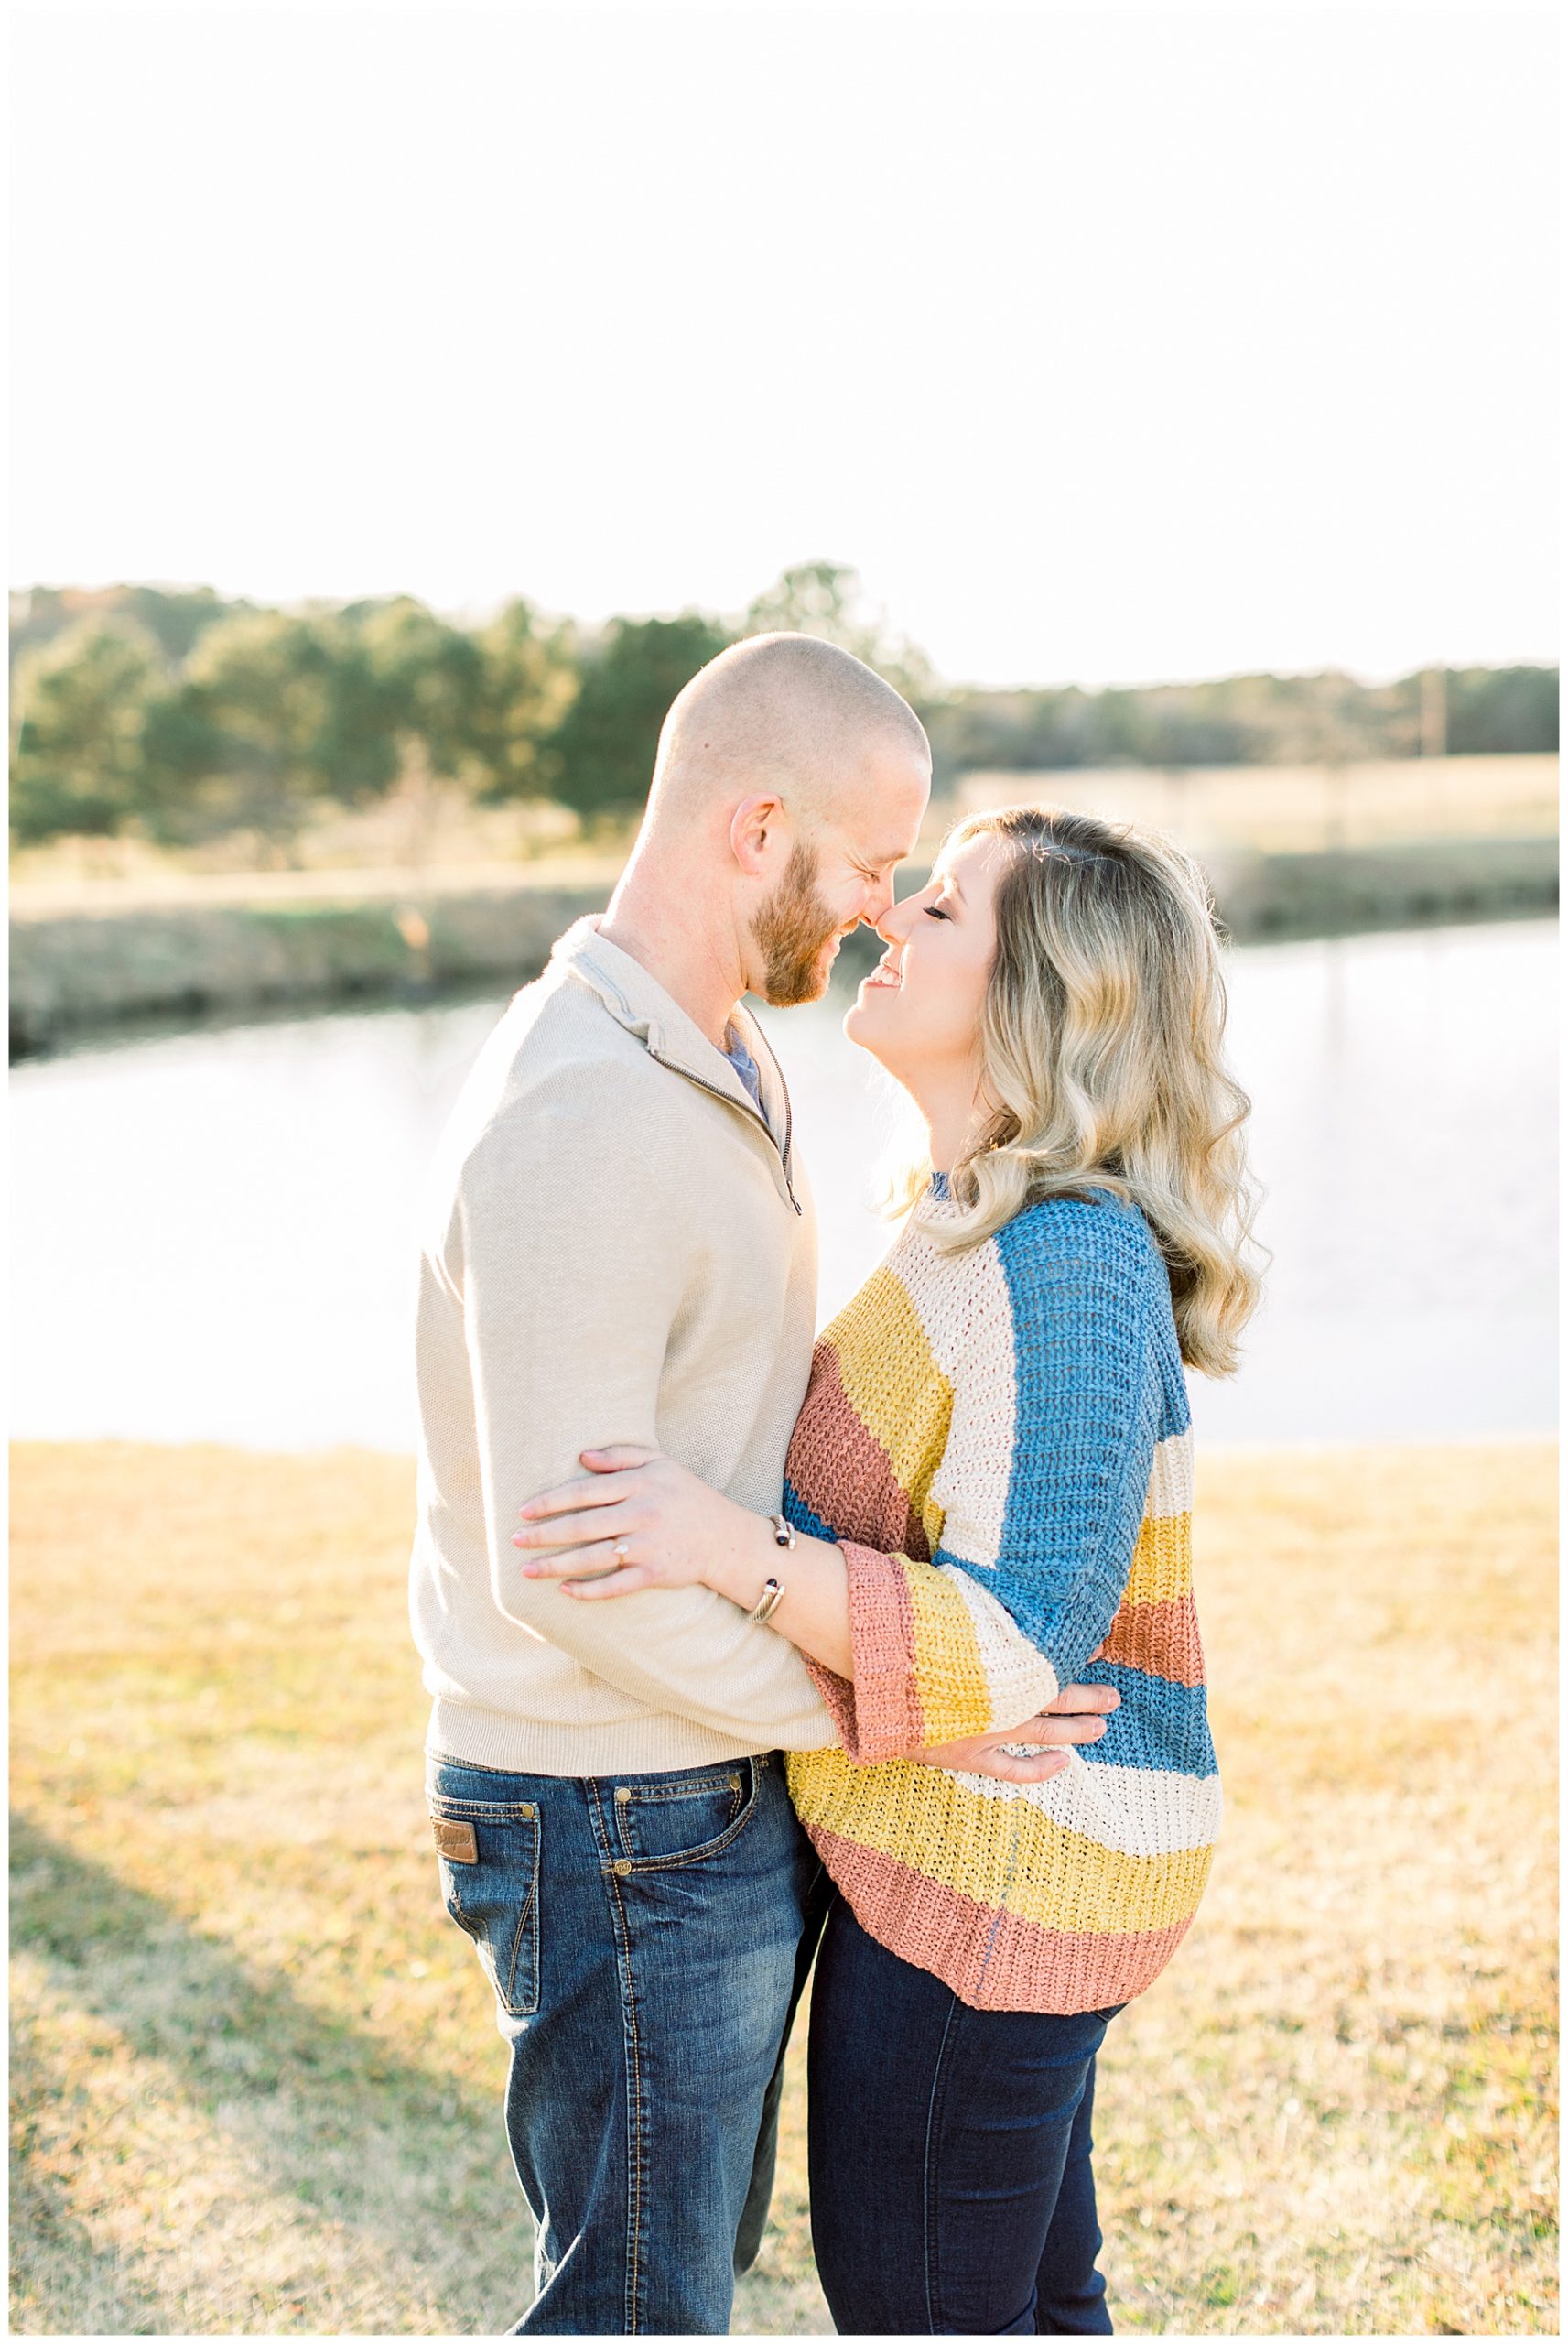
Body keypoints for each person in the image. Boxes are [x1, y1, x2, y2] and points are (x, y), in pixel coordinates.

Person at [410, 641, 1119, 2337]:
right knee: (639, 2305)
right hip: (616, 1811)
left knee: (677, 2269)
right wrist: (875, 1698)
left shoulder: (713, 1051)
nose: (883, 908)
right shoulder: (582, 1108)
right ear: (755, 827)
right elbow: (567, 1569)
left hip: (694, 1780)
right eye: (875, 864)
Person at [514, 803, 1262, 2335]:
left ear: (1042, 996)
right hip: (961, 1850)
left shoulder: (1067, 1255)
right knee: (1034, 2304)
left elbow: (1020, 1650)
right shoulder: (960, 1228)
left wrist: (728, 1547)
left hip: (999, 1878)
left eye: (938, 912)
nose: (882, 924)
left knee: (925, 2310)